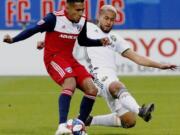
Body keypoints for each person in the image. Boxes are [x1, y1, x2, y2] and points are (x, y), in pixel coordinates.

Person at [3, 0, 110, 135]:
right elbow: (32, 29)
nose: (81, 13)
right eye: (77, 10)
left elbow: (82, 41)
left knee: (92, 89)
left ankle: (79, 126)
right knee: (69, 82)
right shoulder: (53, 18)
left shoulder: (82, 20)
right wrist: (13, 40)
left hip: (70, 59)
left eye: (82, 9)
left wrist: (99, 42)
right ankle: (62, 126)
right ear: (67, 8)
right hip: (53, 58)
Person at [71, 5, 177, 129]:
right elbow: (66, 31)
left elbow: (136, 57)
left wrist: (160, 65)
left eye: (112, 20)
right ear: (99, 16)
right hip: (95, 77)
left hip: (110, 78)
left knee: (129, 121)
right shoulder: (87, 27)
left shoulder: (115, 39)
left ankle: (88, 120)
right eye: (106, 18)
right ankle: (140, 110)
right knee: (117, 86)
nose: (109, 22)